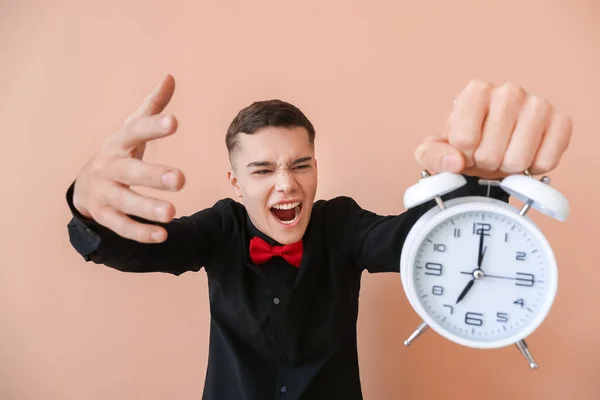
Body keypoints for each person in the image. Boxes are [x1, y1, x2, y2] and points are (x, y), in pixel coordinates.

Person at [65, 75, 572, 399]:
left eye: (300, 165)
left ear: (316, 168)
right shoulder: (220, 227)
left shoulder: (342, 224)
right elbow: (139, 246)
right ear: (235, 183)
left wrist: (477, 183)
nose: (286, 183)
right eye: (262, 170)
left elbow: (415, 241)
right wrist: (86, 204)